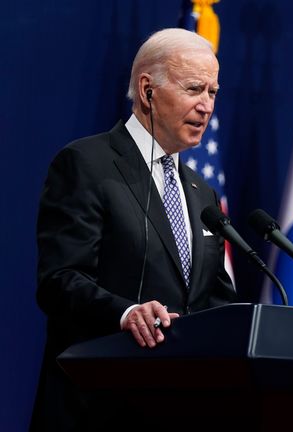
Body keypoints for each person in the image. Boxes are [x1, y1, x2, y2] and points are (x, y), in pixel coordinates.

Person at [32, 28, 236, 430]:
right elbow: (59, 280)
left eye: (213, 92)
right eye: (195, 88)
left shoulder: (201, 192)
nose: (206, 106)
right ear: (148, 91)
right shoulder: (86, 163)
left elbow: (213, 302)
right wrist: (125, 313)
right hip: (94, 408)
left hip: (177, 412)